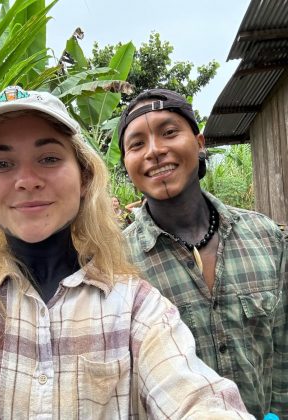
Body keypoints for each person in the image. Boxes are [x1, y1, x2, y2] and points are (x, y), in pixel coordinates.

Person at [0, 86, 254, 419]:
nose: (26, 180)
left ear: (85, 177)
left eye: (49, 158)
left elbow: (196, 397)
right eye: (2, 163)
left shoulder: (135, 306)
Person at [118, 88, 287, 420]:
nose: (154, 151)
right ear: (127, 164)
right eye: (137, 144)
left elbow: (283, 347)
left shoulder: (265, 236)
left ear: (199, 142)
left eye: (169, 132)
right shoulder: (116, 263)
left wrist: (278, 413)